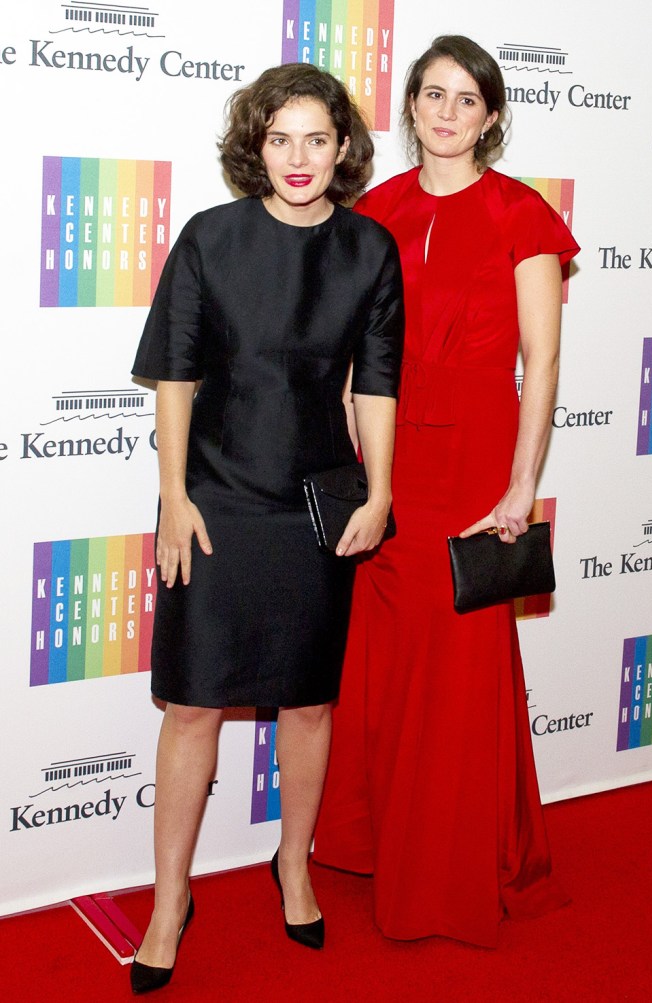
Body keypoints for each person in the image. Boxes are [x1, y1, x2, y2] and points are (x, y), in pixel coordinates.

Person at [129, 63, 403, 993]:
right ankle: (171, 896)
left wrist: (379, 493)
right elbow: (174, 372)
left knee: (309, 702)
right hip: (215, 498)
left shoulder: (370, 250)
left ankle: (293, 862)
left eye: (317, 139)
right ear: (255, 144)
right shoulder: (211, 238)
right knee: (194, 704)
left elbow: (376, 383)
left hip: (316, 504)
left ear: (342, 148)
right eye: (279, 138)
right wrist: (174, 493)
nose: (298, 157)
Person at [314, 35, 580, 947]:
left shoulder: (521, 214)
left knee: (460, 663)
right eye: (434, 94)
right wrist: (354, 429)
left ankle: (452, 870)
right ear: (411, 107)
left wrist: (522, 484)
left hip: (475, 460)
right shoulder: (374, 210)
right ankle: (380, 840)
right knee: (389, 658)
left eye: (468, 99)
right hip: (391, 460)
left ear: (492, 115)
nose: (448, 112)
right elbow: (353, 346)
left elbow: (540, 362)